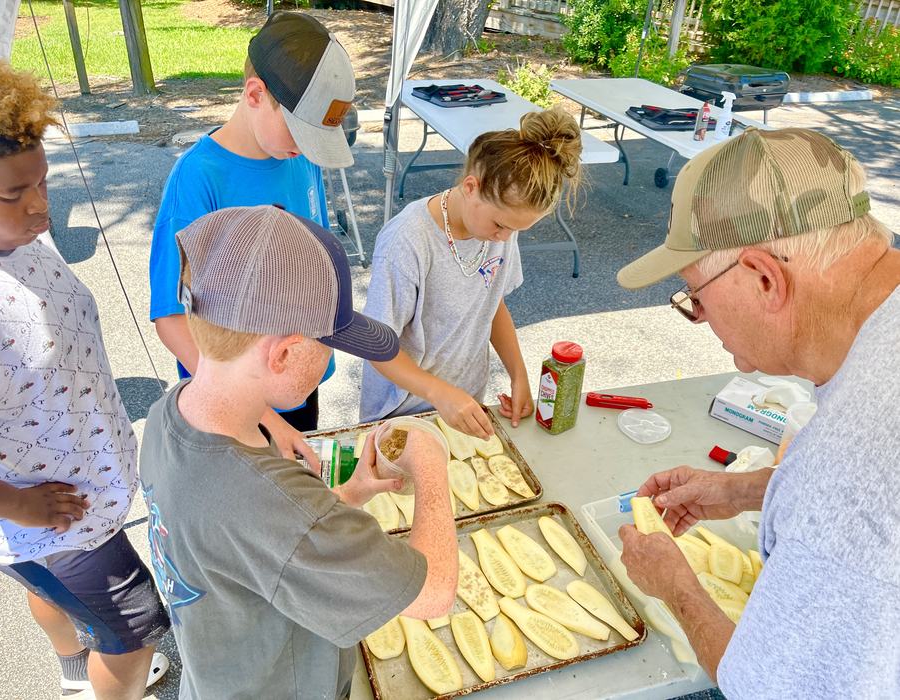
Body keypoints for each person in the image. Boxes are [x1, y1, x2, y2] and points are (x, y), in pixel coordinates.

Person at [615, 127, 899, 696]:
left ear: (765, 277)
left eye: (695, 296)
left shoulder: (849, 475)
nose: (701, 317)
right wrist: (749, 491)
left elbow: (769, 686)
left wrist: (675, 586)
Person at [140, 205, 458, 699]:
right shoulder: (278, 509)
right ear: (284, 353)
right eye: (330, 343)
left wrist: (344, 498)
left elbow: (256, 547)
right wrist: (432, 466)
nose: (333, 357)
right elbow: (435, 592)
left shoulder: (168, 414)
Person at [0, 52, 170, 699]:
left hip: (59, 513)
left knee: (52, 594)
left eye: (42, 184)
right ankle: (112, 680)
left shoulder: (13, 236)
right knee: (136, 630)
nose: (39, 210)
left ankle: (76, 671)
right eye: (11, 195)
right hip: (51, 521)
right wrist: (24, 505)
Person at [149, 11, 356, 466]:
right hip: (233, 406)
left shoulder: (299, 158)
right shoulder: (198, 178)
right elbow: (171, 318)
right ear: (255, 94)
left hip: (297, 384)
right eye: (301, 132)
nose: (304, 149)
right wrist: (266, 417)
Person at [360, 107, 582, 438]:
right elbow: (375, 346)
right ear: (470, 187)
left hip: (462, 403)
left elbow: (491, 303)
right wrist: (439, 393)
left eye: (516, 230)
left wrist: (518, 374)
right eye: (500, 225)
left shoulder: (500, 229)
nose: (504, 239)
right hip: (401, 412)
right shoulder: (407, 241)